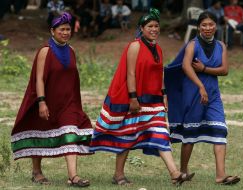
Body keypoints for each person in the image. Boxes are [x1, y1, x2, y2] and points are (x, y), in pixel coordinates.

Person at [90, 8, 191, 186]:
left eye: (156, 26)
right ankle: (118, 175)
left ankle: (175, 173)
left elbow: (160, 74)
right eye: (150, 26)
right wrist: (133, 98)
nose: (154, 29)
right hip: (136, 98)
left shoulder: (158, 48)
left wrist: (164, 94)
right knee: (127, 135)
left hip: (154, 100)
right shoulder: (135, 45)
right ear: (142, 28)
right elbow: (130, 74)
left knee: (161, 134)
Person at [11, 12, 93, 187]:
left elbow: (72, 78)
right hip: (47, 100)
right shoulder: (45, 51)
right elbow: (38, 78)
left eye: (68, 29)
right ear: (52, 31)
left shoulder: (71, 51)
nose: (65, 32)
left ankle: (73, 176)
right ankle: (36, 171)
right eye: (62, 29)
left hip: (68, 103)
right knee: (40, 130)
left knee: (71, 134)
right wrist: (41, 101)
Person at [164, 11, 240, 185]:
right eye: (204, 25)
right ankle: (183, 171)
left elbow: (224, 70)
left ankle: (221, 176)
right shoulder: (192, 44)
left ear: (216, 26)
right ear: (198, 27)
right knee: (190, 134)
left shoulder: (221, 45)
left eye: (211, 24)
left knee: (220, 130)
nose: (207, 28)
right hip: (194, 93)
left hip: (213, 95)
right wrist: (200, 86)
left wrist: (205, 69)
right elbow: (185, 66)